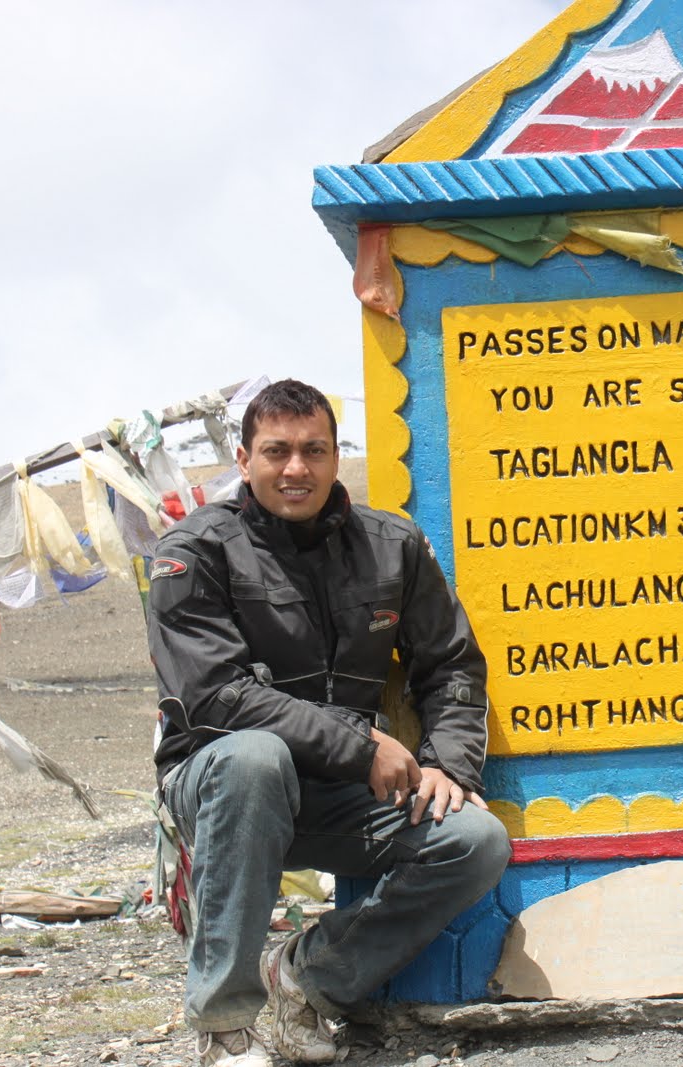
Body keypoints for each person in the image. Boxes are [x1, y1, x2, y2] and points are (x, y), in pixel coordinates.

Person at [147, 379, 510, 1066]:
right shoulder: (191, 551)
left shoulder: (393, 546)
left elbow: (452, 666)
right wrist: (357, 741)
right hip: (221, 784)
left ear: (336, 455)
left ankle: (307, 980)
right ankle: (226, 1027)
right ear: (242, 457)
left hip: (339, 792)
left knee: (476, 839)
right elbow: (215, 695)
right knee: (255, 759)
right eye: (276, 451)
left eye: (314, 450)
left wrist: (448, 766)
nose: (296, 469)